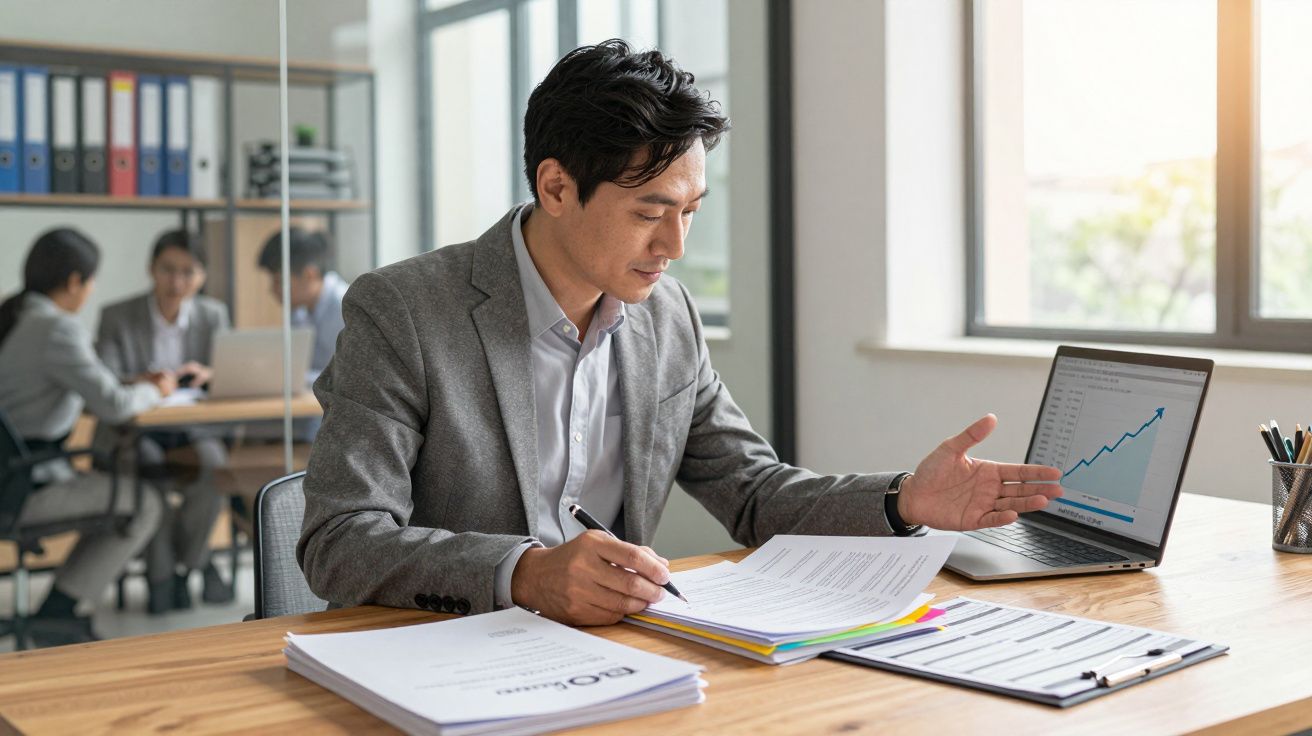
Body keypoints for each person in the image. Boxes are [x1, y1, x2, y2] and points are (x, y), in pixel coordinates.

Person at [298, 40, 1063, 625]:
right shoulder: (402, 310)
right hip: (438, 658)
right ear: (556, 186)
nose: (675, 247)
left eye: (690, 210)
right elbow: (341, 541)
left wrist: (904, 501)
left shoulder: (667, 318)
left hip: (614, 652)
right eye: (649, 211)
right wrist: (525, 572)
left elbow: (757, 495)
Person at [0, 228, 169, 646]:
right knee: (144, 503)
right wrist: (156, 390)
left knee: (115, 495)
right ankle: (59, 613)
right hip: (23, 487)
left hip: (11, 477)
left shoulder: (14, 316)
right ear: (75, 281)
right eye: (91, 281)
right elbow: (114, 405)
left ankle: (59, 609)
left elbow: (75, 382)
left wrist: (127, 381)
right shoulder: (56, 328)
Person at [95, 229, 233, 613]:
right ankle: (162, 576)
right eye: (168, 270)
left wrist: (209, 374)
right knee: (149, 475)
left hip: (192, 426)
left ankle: (184, 568)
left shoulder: (213, 315)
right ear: (151, 270)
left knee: (214, 470)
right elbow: (103, 377)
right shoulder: (117, 316)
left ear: (202, 276)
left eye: (188, 272)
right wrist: (144, 380)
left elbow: (229, 373)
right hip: (137, 430)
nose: (177, 282)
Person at [256, 227, 347, 387]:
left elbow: (347, 377)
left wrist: (289, 378)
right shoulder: (299, 310)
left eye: (279, 281)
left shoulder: (346, 308)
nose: (273, 290)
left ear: (309, 274)